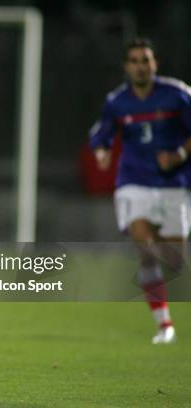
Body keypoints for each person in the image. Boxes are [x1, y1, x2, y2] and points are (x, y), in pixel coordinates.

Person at [90, 37, 191, 344]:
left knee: (173, 262)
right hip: (133, 182)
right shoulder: (117, 101)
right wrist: (102, 153)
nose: (140, 66)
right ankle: (164, 325)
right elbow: (101, 134)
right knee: (145, 250)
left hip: (174, 184)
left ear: (155, 63)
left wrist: (179, 155)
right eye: (134, 61)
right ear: (126, 67)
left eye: (145, 60)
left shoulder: (177, 95)